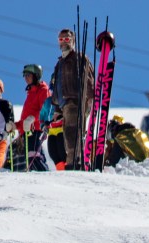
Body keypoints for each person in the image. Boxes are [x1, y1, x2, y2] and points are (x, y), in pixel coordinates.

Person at [49, 28, 94, 169]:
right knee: (68, 136)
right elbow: (57, 87)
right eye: (61, 39)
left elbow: (88, 78)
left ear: (73, 41)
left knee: (72, 133)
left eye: (67, 39)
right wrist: (57, 109)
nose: (64, 42)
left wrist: (91, 97)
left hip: (76, 100)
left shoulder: (79, 58)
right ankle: (73, 162)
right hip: (64, 105)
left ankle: (75, 163)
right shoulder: (59, 63)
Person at [12, 63, 51, 171]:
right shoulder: (30, 93)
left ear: (36, 75)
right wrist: (15, 125)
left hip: (36, 130)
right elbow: (26, 119)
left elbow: (46, 110)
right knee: (32, 159)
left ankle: (46, 175)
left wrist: (33, 119)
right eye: (24, 75)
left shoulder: (43, 90)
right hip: (27, 132)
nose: (26, 78)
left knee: (34, 157)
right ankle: (41, 177)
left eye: (28, 75)